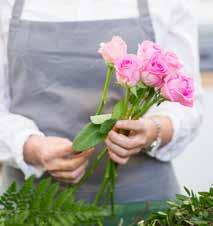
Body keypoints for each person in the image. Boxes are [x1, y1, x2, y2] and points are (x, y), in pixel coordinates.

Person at [0, 0, 202, 202]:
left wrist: (154, 129)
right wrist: (30, 147)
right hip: (33, 207)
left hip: (143, 204)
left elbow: (187, 101)